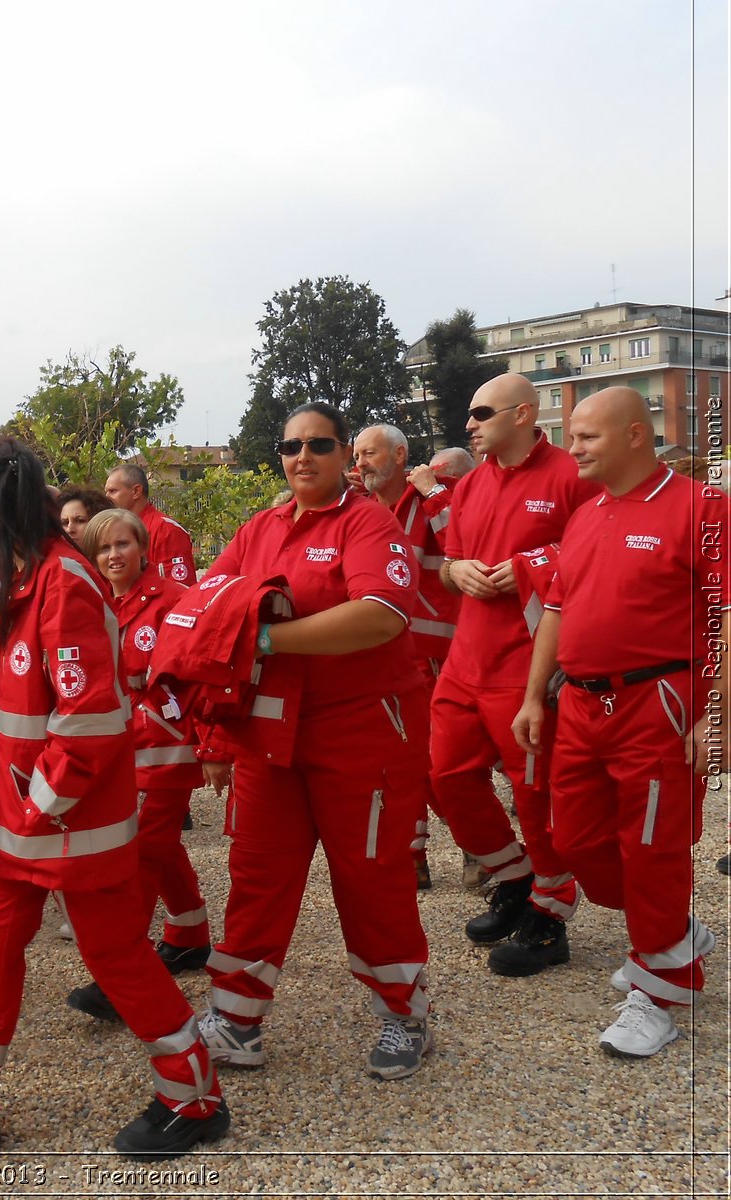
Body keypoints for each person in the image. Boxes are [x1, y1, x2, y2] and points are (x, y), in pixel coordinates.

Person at [0, 437, 229, 1159]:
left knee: (116, 957)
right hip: (25, 828)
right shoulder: (39, 578)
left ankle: (193, 1097)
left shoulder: (64, 585)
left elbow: (89, 722)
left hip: (59, 827)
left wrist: (38, 803)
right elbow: (15, 668)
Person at [194, 403, 433, 1081]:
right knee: (257, 875)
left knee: (371, 877)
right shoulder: (261, 528)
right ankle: (236, 1020)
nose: (303, 456)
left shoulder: (366, 521)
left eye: (319, 445)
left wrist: (266, 638)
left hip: (362, 730)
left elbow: (382, 615)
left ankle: (404, 1014)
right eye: (291, 445)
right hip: (272, 735)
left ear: (344, 457)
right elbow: (210, 602)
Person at [512, 387, 723, 1057]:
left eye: (585, 436)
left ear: (637, 435)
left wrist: (716, 713)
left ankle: (658, 993)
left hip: (657, 702)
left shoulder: (702, 508)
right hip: (580, 704)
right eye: (570, 434)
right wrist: (533, 695)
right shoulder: (586, 514)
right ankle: (671, 936)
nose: (571, 447)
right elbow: (558, 610)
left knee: (654, 850)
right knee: (574, 842)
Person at [431, 373, 600, 975]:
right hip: (465, 659)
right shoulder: (472, 484)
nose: (469, 423)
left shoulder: (570, 476)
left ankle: (551, 914)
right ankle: (515, 877)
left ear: (525, 413)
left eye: (481, 412)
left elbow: (595, 554)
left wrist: (532, 564)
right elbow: (449, 564)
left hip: (524, 660)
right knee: (446, 777)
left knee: (533, 790)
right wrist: (461, 573)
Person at [61, 507, 212, 1022]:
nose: (113, 556)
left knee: (140, 853)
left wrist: (213, 749)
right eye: (103, 548)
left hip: (165, 747)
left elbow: (202, 678)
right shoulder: (99, 599)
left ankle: (121, 976)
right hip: (122, 747)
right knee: (160, 849)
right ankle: (189, 934)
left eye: (122, 545)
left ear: (143, 548)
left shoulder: (173, 601)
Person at [352, 425, 464, 890]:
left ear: (401, 454)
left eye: (370, 453)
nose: (360, 463)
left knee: (440, 765)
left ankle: (480, 845)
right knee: (392, 762)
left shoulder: (434, 497)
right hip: (379, 654)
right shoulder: (359, 510)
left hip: (434, 656)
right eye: (356, 454)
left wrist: (432, 490)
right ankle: (412, 855)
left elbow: (465, 542)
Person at [105, 464, 195, 584]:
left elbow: (179, 590)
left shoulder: (166, 530)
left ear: (136, 491)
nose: (107, 497)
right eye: (106, 492)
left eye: (113, 491)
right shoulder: (110, 529)